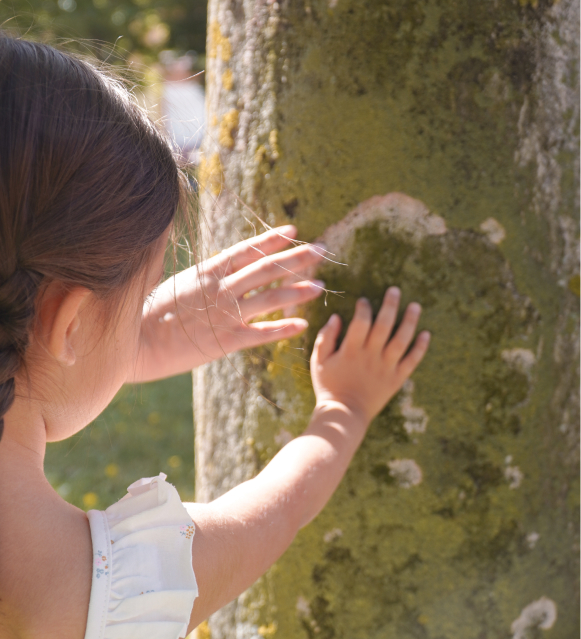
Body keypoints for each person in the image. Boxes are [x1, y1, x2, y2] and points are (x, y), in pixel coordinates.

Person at [0, 36, 431, 639]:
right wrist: (345, 410)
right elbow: (270, 516)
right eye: (136, 297)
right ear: (67, 324)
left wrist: (135, 336)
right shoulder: (80, 591)